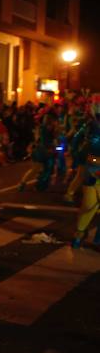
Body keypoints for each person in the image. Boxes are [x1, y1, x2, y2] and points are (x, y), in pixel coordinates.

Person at [72, 97, 99, 248]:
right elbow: (77, 142)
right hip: (92, 172)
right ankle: (79, 233)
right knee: (89, 204)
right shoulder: (91, 126)